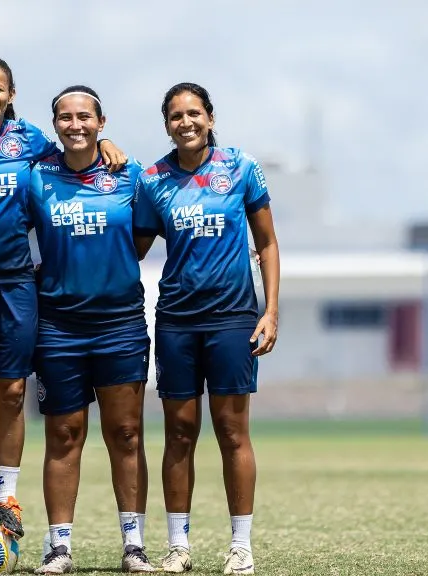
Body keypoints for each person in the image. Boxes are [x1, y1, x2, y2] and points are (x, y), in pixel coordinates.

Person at [0, 57, 128, 540]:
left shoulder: (33, 140)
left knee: (12, 392)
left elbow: (72, 155)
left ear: (11, 93)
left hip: (17, 282)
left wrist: (105, 143)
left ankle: (6, 496)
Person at [133, 83, 280, 575]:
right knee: (179, 432)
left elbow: (268, 242)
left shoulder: (241, 167)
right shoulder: (154, 179)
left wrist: (271, 310)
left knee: (232, 431)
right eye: (176, 116)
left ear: (210, 118)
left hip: (234, 318)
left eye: (194, 113)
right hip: (176, 319)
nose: (186, 122)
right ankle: (179, 546)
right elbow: (131, 247)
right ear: (167, 124)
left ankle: (241, 546)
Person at [26, 86, 155, 574]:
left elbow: (141, 240)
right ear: (54, 125)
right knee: (64, 434)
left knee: (125, 433)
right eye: (65, 117)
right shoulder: (37, 177)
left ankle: (134, 545)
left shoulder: (130, 174)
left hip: (120, 323)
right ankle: (59, 547)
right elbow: (1, 228)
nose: (74, 124)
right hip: (57, 326)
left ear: (102, 122)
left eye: (84, 117)